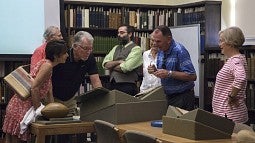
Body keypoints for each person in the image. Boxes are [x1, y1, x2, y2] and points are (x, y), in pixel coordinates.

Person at [2, 40, 68, 143]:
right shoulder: (48, 66)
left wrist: (52, 112)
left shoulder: (46, 63)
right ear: (56, 56)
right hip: (21, 107)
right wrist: (38, 110)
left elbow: (49, 90)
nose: (67, 55)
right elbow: (34, 87)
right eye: (64, 53)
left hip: (20, 105)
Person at [52, 31, 102, 117]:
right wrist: (50, 102)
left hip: (71, 99)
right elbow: (47, 80)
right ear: (75, 46)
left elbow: (96, 81)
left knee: (72, 127)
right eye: (85, 48)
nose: (88, 52)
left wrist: (102, 101)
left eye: (91, 49)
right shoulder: (63, 55)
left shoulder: (89, 58)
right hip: (53, 98)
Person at [148, 25, 197, 111]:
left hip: (182, 96)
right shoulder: (161, 49)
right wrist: (155, 71)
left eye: (158, 41)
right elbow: (165, 72)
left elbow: (192, 76)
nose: (155, 44)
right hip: (168, 95)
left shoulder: (180, 51)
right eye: (153, 40)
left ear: (169, 39)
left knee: (180, 124)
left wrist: (169, 73)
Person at [212, 26, 248, 123]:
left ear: (230, 43)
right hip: (228, 114)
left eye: (221, 41)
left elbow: (241, 78)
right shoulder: (238, 59)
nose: (220, 44)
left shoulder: (235, 60)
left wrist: (231, 96)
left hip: (229, 115)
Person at [102, 24, 143, 96]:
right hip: (112, 85)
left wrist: (111, 65)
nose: (119, 35)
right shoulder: (116, 48)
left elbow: (126, 67)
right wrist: (119, 62)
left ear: (130, 34)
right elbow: (105, 64)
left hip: (127, 87)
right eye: (118, 33)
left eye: (122, 33)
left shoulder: (136, 49)